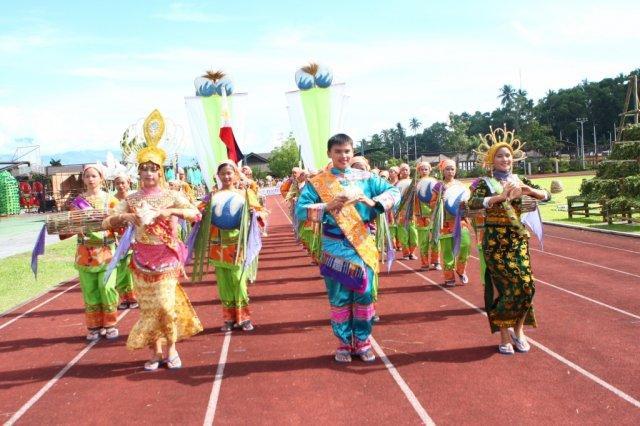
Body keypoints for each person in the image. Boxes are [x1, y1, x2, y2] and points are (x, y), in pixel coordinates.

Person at [103, 110, 202, 370]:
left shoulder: (171, 196)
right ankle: (155, 352)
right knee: (148, 310)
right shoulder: (133, 198)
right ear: (139, 173)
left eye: (153, 169)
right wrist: (126, 218)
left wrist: (169, 211)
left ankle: (172, 348)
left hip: (167, 258)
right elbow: (107, 221)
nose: (148, 173)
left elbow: (196, 214)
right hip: (141, 260)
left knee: (167, 307)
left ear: (161, 172)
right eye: (144, 169)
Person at [296, 134, 400, 363]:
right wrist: (327, 206)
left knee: (363, 294)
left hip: (363, 244)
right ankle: (344, 342)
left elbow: (395, 192)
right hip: (334, 246)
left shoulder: (366, 178)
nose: (343, 156)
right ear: (329, 154)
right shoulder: (318, 182)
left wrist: (375, 202)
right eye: (338, 151)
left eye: (347, 151)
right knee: (339, 297)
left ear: (352, 153)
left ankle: (362, 342)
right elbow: (300, 211)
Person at [468, 127, 550, 355]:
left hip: (518, 240)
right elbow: (471, 204)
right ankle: (504, 336)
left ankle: (519, 330)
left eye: (508, 155)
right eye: (500, 156)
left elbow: (547, 195)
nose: (505, 159)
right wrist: (499, 197)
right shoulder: (484, 182)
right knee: (501, 289)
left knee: (526, 286)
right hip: (495, 241)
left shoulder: (519, 180)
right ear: (491, 160)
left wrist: (530, 191)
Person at [206, 160, 265, 331]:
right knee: (223, 284)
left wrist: (256, 214)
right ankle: (229, 319)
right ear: (218, 176)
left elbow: (262, 214)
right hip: (217, 246)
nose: (226, 176)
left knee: (239, 281)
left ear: (236, 175)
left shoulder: (244, 194)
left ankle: (244, 318)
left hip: (238, 246)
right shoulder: (212, 196)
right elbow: (198, 213)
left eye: (229, 173)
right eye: (223, 173)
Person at [65, 164, 120, 341]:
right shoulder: (76, 203)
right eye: (87, 176)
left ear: (101, 178)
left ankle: (110, 323)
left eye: (94, 176)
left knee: (107, 288)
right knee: (90, 290)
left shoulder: (111, 201)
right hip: (85, 252)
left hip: (106, 252)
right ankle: (94, 325)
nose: (90, 179)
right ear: (83, 179)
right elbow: (70, 226)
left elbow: (120, 223)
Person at [435, 159, 471, 287]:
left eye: (452, 169)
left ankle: (461, 270)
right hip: (445, 223)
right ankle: (449, 277)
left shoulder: (460, 185)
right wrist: (440, 201)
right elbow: (432, 204)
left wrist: (465, 203)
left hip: (461, 221)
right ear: (442, 171)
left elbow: (467, 199)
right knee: (448, 252)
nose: (450, 172)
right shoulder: (438, 186)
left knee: (465, 245)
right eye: (447, 169)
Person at [113, 174, 138, 310]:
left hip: (134, 237)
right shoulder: (112, 200)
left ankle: (134, 296)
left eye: (123, 183)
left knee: (131, 267)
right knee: (121, 269)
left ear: (129, 183)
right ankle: (124, 297)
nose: (120, 186)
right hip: (117, 238)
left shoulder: (135, 198)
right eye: (117, 183)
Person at [414, 162, 441, 271]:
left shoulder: (435, 183)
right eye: (421, 169)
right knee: (423, 241)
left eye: (426, 169)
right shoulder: (415, 184)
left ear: (430, 170)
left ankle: (436, 261)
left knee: (435, 239)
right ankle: (425, 263)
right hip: (421, 217)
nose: (424, 171)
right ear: (418, 171)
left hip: (434, 215)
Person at [395, 163, 418, 259]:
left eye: (406, 169)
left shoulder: (415, 182)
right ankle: (405, 253)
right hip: (402, 211)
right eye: (403, 170)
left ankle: (412, 252)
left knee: (413, 233)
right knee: (403, 233)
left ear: (409, 171)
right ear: (400, 172)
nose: (405, 171)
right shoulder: (397, 184)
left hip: (413, 211)